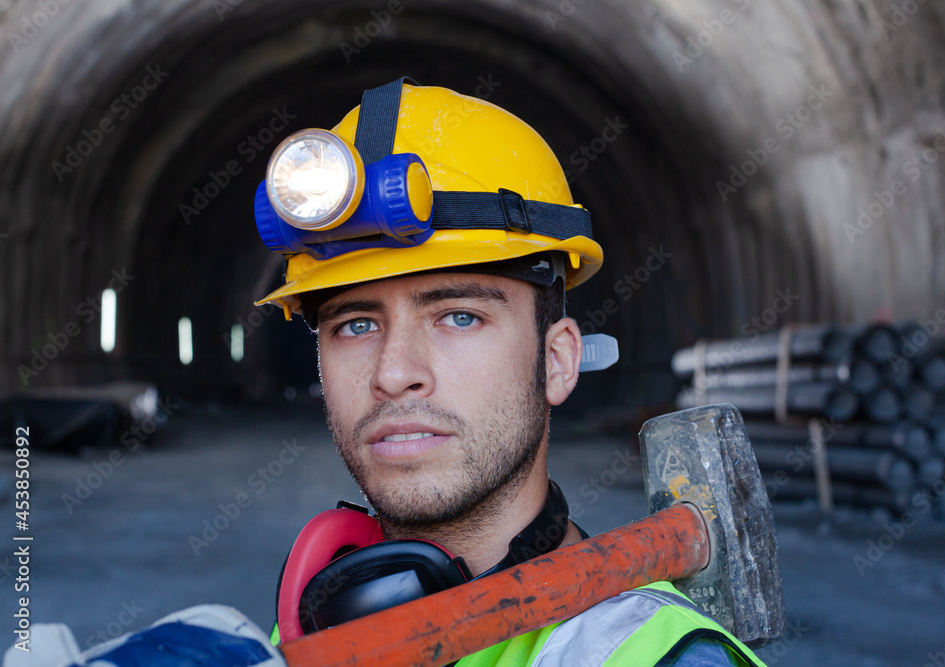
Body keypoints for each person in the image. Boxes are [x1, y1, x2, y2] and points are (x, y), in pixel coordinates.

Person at [253, 78, 769, 667]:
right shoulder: (315, 628)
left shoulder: (643, 656)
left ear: (557, 361)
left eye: (460, 317)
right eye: (356, 325)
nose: (393, 374)